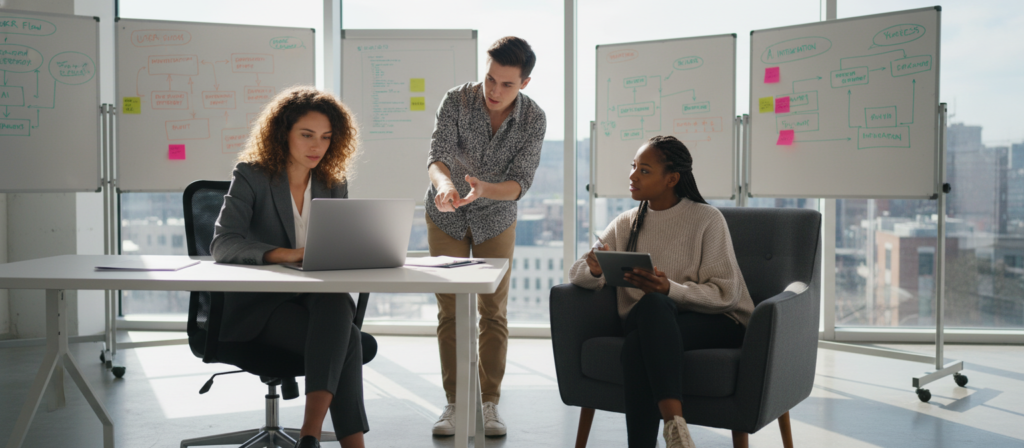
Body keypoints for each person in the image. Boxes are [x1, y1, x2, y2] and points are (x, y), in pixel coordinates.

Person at [568, 135, 755, 448]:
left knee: (639, 341)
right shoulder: (627, 222)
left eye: (644, 170)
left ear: (671, 179)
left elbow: (727, 293)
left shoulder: (707, 219)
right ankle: (676, 430)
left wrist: (671, 289)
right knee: (652, 309)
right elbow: (577, 274)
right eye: (633, 167)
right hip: (651, 319)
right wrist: (595, 269)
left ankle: (667, 430)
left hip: (715, 320)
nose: (632, 176)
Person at [211, 86, 367, 448]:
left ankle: (310, 435)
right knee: (349, 340)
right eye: (307, 135)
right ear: (284, 133)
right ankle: (333, 440)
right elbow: (223, 244)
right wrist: (288, 254)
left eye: (327, 138)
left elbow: (338, 246)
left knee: (335, 303)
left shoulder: (333, 184)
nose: (317, 146)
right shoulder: (252, 176)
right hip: (260, 308)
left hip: (315, 299)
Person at [425, 36, 546, 438]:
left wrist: (484, 190)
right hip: (447, 214)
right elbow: (437, 156)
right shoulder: (457, 100)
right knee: (450, 310)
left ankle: (489, 401)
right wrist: (444, 186)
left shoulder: (534, 120)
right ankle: (456, 403)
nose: (494, 91)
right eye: (490, 79)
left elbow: (520, 182)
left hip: (496, 215)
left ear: (524, 83)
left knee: (493, 311)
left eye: (506, 84)